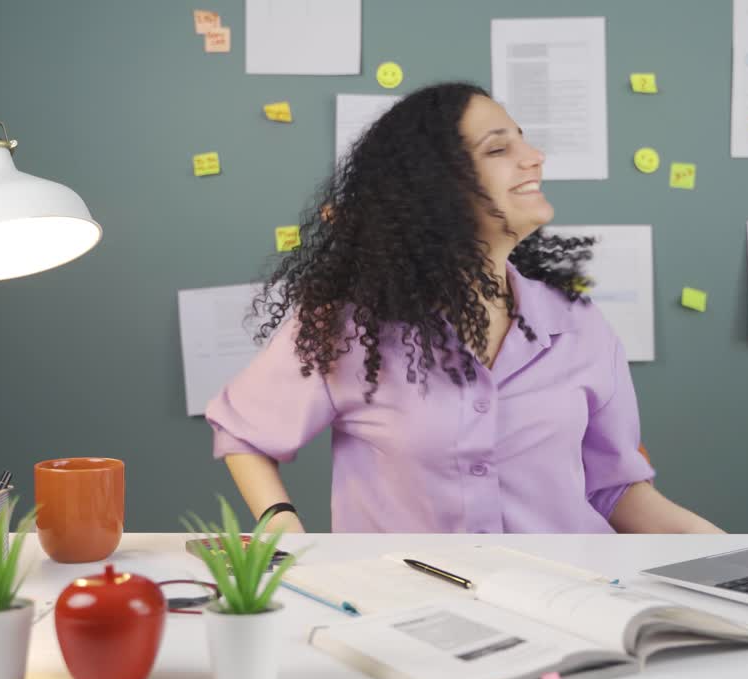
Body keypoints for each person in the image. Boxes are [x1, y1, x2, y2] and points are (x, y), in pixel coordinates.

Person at [205, 82, 721, 535]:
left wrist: (727, 550)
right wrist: (284, 526)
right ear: (436, 188)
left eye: (524, 139)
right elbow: (244, 431)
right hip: (405, 613)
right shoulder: (349, 327)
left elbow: (614, 491)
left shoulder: (578, 324)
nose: (535, 156)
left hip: (566, 603)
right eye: (500, 148)